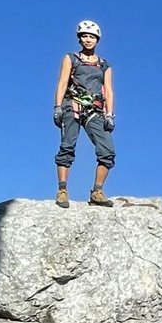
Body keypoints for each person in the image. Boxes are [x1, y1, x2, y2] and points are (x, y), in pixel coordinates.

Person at [52, 19, 116, 207]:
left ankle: (97, 191)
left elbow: (109, 90)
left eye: (92, 37)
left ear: (97, 40)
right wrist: (57, 107)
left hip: (95, 109)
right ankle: (62, 190)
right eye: (85, 36)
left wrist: (110, 114)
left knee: (107, 150)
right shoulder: (71, 58)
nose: (88, 40)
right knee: (67, 146)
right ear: (79, 39)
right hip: (72, 104)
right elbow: (62, 82)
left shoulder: (104, 65)